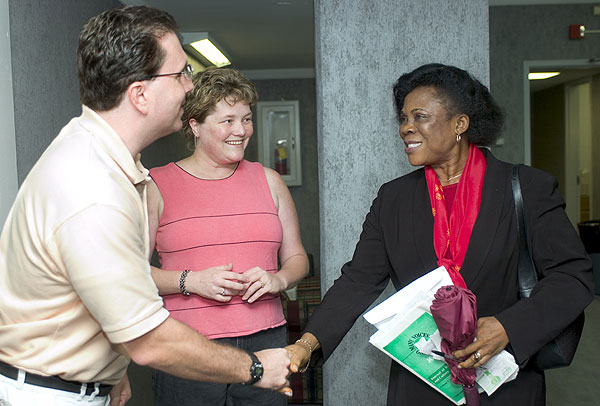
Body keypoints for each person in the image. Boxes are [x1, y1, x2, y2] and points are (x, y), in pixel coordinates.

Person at [0, 6, 291, 406]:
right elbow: (151, 343)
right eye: (181, 74)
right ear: (140, 95)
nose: (190, 88)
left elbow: (105, 289)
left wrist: (112, 369)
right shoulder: (92, 186)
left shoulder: (105, 159)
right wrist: (254, 368)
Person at [286, 63, 594, 405]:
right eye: (403, 119)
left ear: (460, 123)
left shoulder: (527, 188)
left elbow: (572, 276)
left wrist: (509, 327)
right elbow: (357, 281)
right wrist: (306, 343)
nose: (406, 128)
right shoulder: (393, 200)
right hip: (419, 385)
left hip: (505, 379)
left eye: (419, 116)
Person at [146, 66, 309, 406]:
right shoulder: (156, 185)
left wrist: (278, 280)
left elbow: (297, 258)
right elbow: (129, 274)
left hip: (267, 341)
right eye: (228, 121)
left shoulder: (269, 181)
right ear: (194, 126)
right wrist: (192, 281)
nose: (241, 131)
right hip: (186, 346)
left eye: (246, 119)